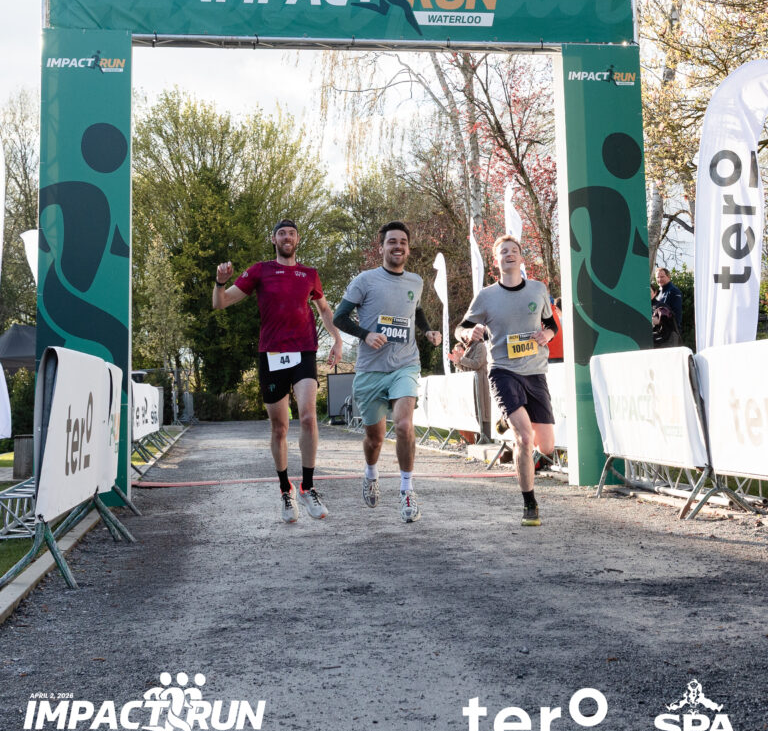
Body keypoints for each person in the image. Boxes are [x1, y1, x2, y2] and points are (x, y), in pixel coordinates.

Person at [213, 219, 342, 523]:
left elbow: (324, 309)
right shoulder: (260, 271)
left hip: (304, 352)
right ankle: (286, 490)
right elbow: (221, 303)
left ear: (297, 239)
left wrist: (337, 339)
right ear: (273, 239)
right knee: (280, 428)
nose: (287, 237)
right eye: (281, 233)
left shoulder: (309, 274)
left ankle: (307, 487)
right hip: (271, 355)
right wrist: (219, 282)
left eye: (291, 233)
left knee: (308, 417)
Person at [333, 221, 441, 523]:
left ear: (408, 248)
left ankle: (407, 490)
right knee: (375, 439)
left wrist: (427, 331)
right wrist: (366, 334)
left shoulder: (415, 281)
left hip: (405, 364)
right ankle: (371, 473)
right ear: (381, 247)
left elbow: (416, 311)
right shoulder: (365, 280)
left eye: (403, 242)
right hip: (370, 369)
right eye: (392, 241)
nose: (398, 246)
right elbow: (340, 317)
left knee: (404, 425)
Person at [455, 235, 557, 527]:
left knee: (546, 447)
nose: (509, 255)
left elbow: (551, 324)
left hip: (535, 372)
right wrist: (468, 333)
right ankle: (529, 504)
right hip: (503, 371)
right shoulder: (486, 296)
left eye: (514, 251)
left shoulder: (538, 289)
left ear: (521, 258)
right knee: (523, 438)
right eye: (503, 252)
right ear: (496, 261)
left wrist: (546, 335)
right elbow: (461, 327)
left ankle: (505, 418)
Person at [655, 267, 682, 331]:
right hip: (661, 329)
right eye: (657, 277)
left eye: (662, 277)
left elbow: (677, 314)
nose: (659, 279)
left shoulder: (674, 291)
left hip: (670, 331)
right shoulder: (660, 292)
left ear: (668, 277)